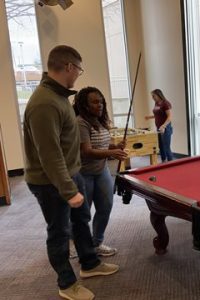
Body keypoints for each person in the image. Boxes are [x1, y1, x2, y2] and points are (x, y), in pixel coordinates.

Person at [23, 45, 119, 300]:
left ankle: (89, 264)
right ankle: (67, 284)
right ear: (69, 67)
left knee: (80, 221)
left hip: (71, 173)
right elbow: (49, 154)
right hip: (50, 182)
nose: (78, 74)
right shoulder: (44, 103)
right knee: (59, 232)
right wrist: (68, 190)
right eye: (78, 69)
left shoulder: (59, 97)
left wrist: (74, 179)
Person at [73, 86, 127, 257]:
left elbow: (101, 145)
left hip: (101, 170)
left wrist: (115, 146)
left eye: (101, 101)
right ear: (85, 105)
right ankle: (81, 245)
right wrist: (112, 153)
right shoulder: (80, 122)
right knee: (84, 213)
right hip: (83, 173)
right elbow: (86, 151)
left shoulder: (100, 121)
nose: (100, 105)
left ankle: (96, 243)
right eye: (95, 102)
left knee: (106, 206)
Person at [145, 89, 174, 162]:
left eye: (153, 96)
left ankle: (171, 163)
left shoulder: (166, 103)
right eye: (152, 96)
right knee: (160, 146)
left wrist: (163, 126)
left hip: (165, 128)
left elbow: (169, 117)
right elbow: (158, 115)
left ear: (158, 95)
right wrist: (150, 117)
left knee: (166, 146)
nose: (152, 97)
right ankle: (163, 161)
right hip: (158, 127)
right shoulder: (156, 103)